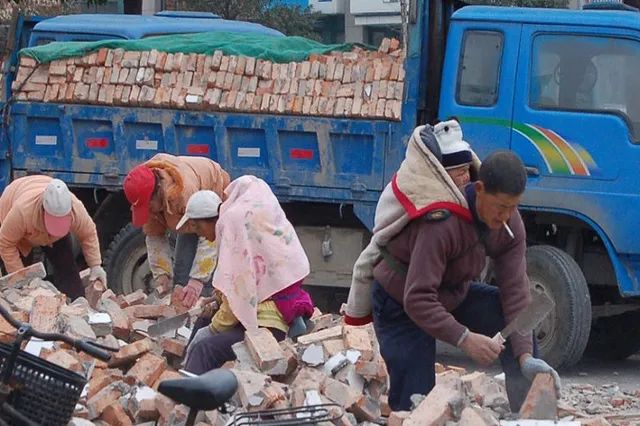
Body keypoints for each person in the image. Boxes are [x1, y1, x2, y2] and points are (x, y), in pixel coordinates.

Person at [345, 123, 560, 412]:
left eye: (513, 207)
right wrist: (464, 339)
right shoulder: (442, 222)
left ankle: (527, 414)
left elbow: (516, 291)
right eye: (500, 207)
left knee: (514, 320)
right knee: (417, 403)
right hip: (401, 299)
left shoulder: (510, 223)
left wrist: (525, 356)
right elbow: (418, 298)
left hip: (450, 292)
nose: (506, 216)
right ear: (479, 189)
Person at [178, 176, 314, 375]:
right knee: (203, 322)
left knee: (204, 348)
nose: (200, 234)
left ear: (211, 219)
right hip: (266, 311)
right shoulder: (245, 231)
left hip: (267, 325)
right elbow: (247, 280)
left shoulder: (233, 228)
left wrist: (211, 331)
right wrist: (217, 300)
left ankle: (186, 401)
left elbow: (239, 299)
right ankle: (181, 372)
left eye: (198, 227)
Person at [123, 153, 230, 307]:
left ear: (158, 192)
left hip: (212, 194)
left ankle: (204, 312)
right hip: (187, 208)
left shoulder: (183, 193)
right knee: (180, 274)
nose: (149, 211)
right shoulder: (144, 186)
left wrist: (198, 280)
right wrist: (162, 275)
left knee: (202, 280)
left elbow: (209, 237)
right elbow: (155, 236)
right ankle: (180, 317)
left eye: (148, 205)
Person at [0, 176, 106, 300]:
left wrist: (96, 265)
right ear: (43, 209)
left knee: (68, 269)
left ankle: (75, 306)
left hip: (49, 231)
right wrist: (19, 277)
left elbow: (88, 233)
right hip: (16, 221)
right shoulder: (22, 211)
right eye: (53, 222)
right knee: (19, 282)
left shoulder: (76, 208)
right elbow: (5, 243)